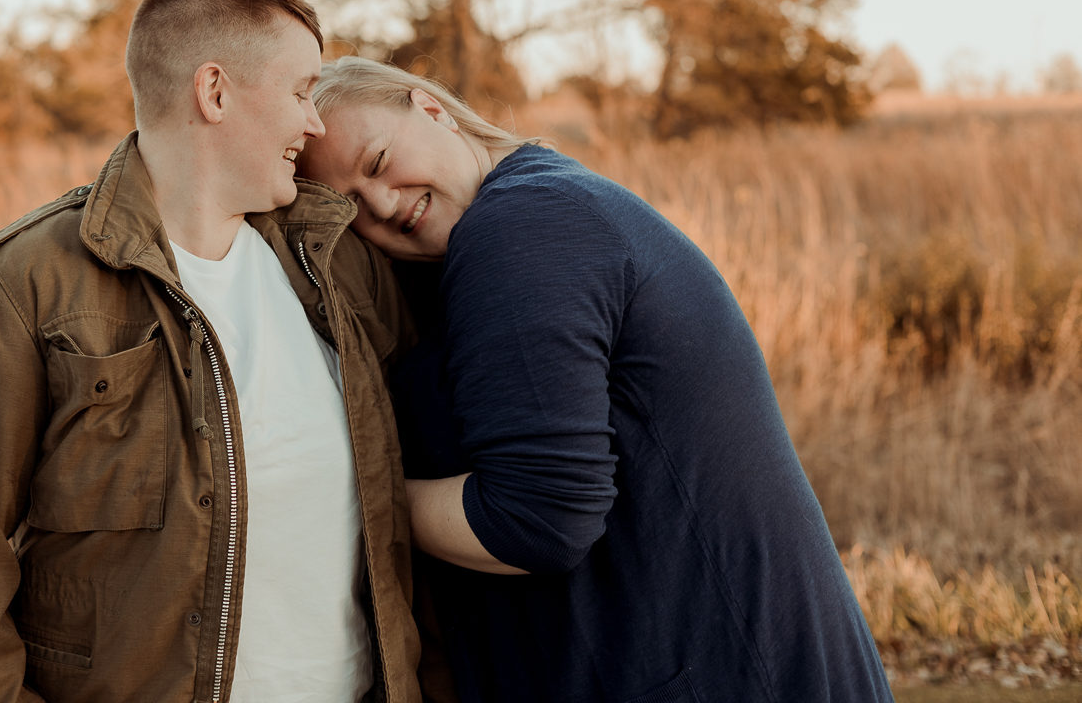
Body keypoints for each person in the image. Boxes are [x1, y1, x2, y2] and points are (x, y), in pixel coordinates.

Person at [0, 0, 425, 703]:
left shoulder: (335, 265)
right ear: (215, 91)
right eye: (299, 91)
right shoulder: (18, 284)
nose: (313, 122)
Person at [296, 55, 894, 703]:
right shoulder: (528, 214)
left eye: (379, 162)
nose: (381, 206)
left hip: (722, 672)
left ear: (432, 110)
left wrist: (346, 492)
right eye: (349, 207)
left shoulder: (520, 228)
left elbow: (535, 517)